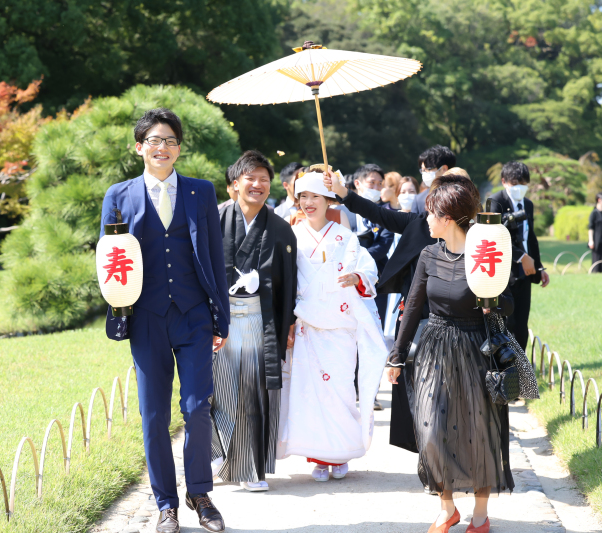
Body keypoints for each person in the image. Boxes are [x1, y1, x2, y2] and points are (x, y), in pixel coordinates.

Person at [100, 108, 229, 533]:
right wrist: (118, 314)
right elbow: (110, 261)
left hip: (193, 314)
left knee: (196, 408)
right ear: (140, 147)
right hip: (146, 318)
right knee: (154, 414)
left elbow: (214, 255)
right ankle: (165, 504)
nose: (162, 148)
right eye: (154, 141)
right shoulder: (118, 195)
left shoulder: (200, 192)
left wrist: (219, 318)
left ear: (179, 148)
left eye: (170, 141)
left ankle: (200, 494)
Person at [386, 175, 515, 533]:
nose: (425, 219)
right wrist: (396, 356)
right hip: (435, 348)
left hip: (476, 349)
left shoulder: (485, 253)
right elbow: (412, 308)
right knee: (432, 429)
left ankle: (479, 514)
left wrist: (492, 302)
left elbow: (508, 303)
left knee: (479, 431)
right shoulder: (428, 255)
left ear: (447, 218)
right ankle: (447, 508)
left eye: (430, 213)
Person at [324, 168, 436, 485]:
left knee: (446, 398)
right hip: (417, 320)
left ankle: (446, 461)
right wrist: (344, 193)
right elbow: (376, 213)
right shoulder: (417, 225)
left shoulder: (474, 236)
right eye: (433, 195)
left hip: (457, 326)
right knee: (418, 395)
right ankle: (429, 457)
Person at [277, 171, 388, 482]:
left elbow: (368, 269)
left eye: (315, 196)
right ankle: (319, 457)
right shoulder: (292, 236)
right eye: (303, 197)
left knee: (339, 392)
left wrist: (357, 278)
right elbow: (285, 282)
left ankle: (340, 453)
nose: (309, 203)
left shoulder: (344, 237)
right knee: (308, 395)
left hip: (339, 328)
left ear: (328, 200)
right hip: (308, 327)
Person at [212, 150, 298, 492]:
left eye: (264, 179)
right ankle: (216, 454)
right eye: (250, 178)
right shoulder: (215, 219)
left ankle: (248, 468)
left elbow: (289, 283)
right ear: (235, 184)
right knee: (214, 390)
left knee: (252, 392)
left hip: (258, 320)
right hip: (219, 319)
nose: (258, 185)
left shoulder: (279, 229)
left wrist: (286, 323)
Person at [487, 161, 550, 352]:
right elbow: (493, 236)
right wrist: (521, 256)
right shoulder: (495, 202)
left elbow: (530, 237)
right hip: (503, 273)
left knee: (522, 324)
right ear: (504, 181)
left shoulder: (528, 205)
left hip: (525, 272)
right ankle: (504, 370)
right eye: (515, 183)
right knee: (506, 323)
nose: (519, 187)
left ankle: (521, 371)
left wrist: (539, 268)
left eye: (523, 183)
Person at [352, 164, 394, 323]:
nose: (376, 187)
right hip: (345, 280)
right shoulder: (342, 212)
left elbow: (383, 245)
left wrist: (357, 257)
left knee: (375, 328)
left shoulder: (385, 214)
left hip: (376, 280)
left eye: (380, 184)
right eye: (372, 183)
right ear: (358, 184)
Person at [411, 146, 457, 214]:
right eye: (423, 170)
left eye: (428, 169)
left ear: (444, 169)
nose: (424, 173)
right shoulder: (419, 200)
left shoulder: (459, 196)